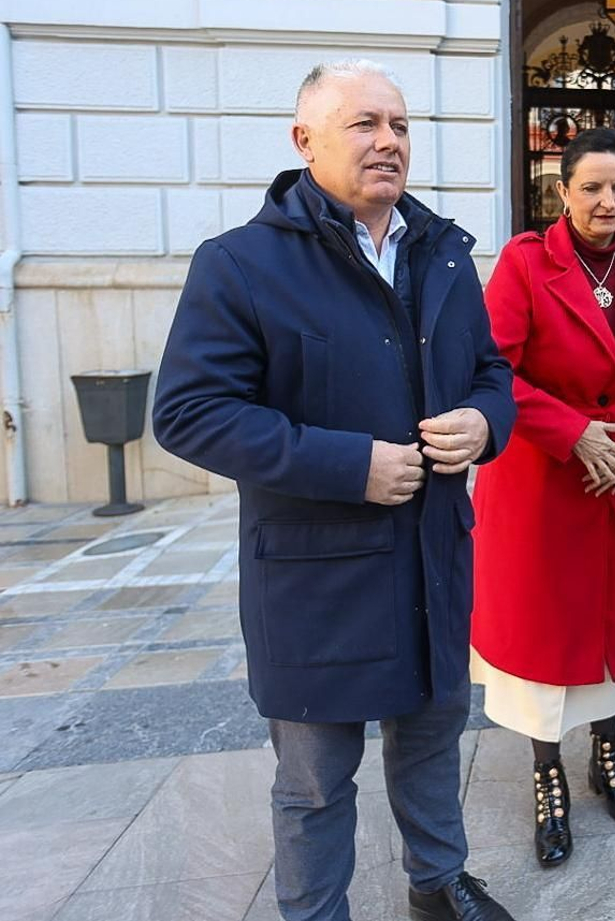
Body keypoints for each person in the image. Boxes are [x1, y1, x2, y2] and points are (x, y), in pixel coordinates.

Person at [152, 60, 519, 921]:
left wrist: (483, 423)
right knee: (315, 780)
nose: (388, 141)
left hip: (431, 553)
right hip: (314, 576)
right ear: (304, 140)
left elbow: (492, 371)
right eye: (363, 124)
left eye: (398, 125)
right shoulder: (241, 264)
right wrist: (349, 465)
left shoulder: (442, 254)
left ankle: (437, 882)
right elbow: (189, 413)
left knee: (433, 741)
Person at [468, 127, 615, 868]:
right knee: (543, 636)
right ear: (561, 193)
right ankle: (546, 771)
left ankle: (607, 748)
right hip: (542, 483)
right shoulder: (524, 265)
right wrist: (573, 434)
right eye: (591, 187)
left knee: (610, 631)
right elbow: (492, 368)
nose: (607, 201)